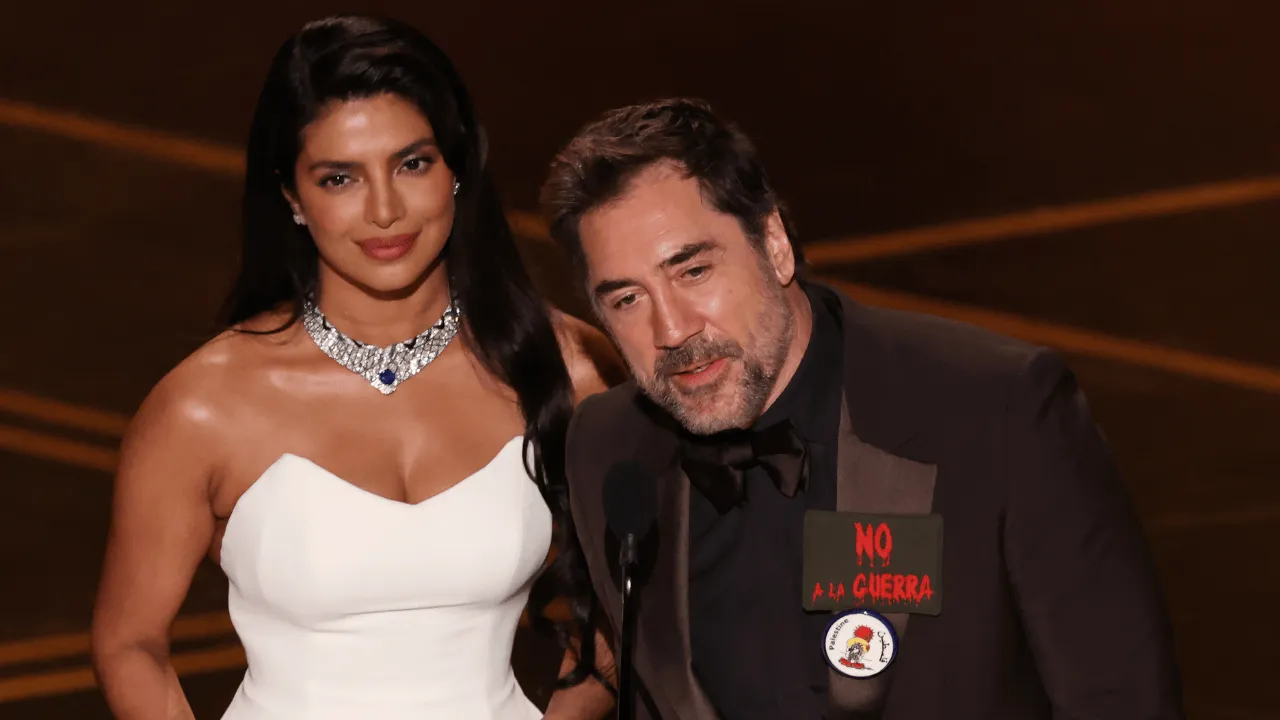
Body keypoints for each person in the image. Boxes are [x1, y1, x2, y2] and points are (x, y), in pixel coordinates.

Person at [539, 98, 1184, 719]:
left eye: (694, 271)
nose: (672, 329)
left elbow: (1120, 704)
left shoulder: (997, 411)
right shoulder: (609, 449)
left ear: (775, 243)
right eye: (627, 300)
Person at [90, 15, 618, 720]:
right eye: (340, 177)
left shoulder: (569, 367)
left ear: (456, 168)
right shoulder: (202, 407)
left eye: (412, 163)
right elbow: (131, 642)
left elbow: (627, 614)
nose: (385, 210)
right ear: (291, 196)